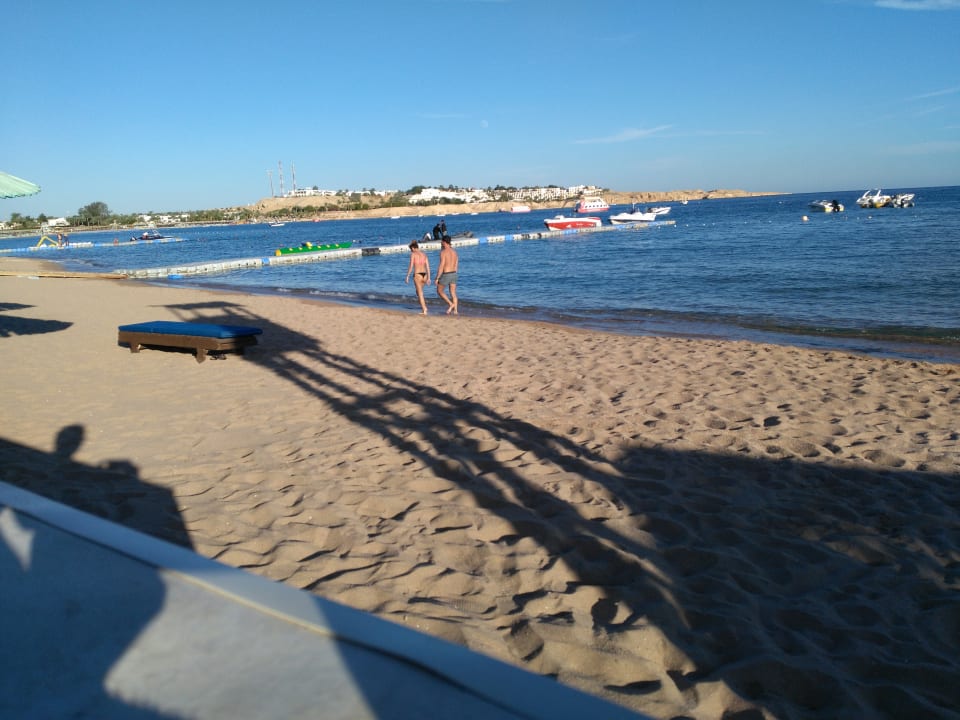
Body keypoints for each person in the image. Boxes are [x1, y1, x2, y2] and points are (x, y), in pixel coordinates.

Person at [404, 239, 431, 314]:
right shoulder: (424, 255)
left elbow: (411, 266)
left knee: (420, 293)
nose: (411, 251)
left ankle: (424, 309)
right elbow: (428, 267)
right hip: (424, 275)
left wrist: (407, 276)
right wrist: (429, 278)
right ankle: (424, 307)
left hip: (417, 274)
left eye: (411, 249)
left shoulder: (413, 254)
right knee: (418, 292)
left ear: (413, 248)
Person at [435, 235, 459, 315]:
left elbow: (441, 266)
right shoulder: (454, 252)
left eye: (442, 241)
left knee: (439, 291)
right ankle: (455, 311)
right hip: (454, 274)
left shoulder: (443, 252)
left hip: (446, 274)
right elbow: (456, 265)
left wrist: (437, 278)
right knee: (453, 293)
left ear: (444, 242)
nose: (441, 243)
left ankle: (450, 304)